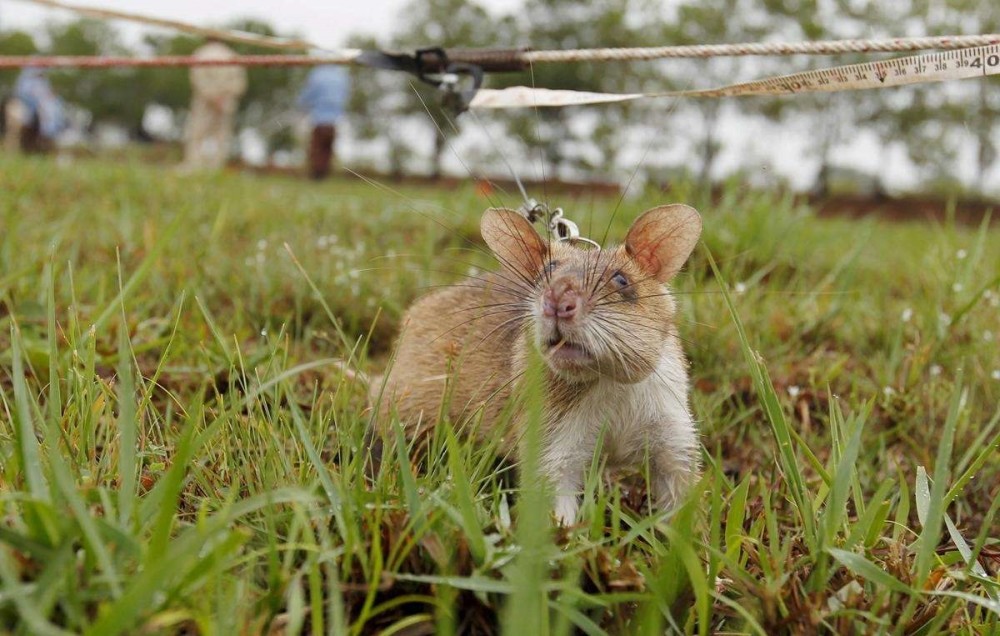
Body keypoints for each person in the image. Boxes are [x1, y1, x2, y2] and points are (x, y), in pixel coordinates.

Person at [182, 40, 247, 170]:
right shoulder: (231, 55)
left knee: (198, 134)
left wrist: (213, 96)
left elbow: (197, 78)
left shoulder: (202, 53)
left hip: (205, 102)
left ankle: (194, 165)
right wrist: (223, 96)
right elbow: (240, 82)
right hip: (223, 101)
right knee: (221, 136)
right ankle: (215, 167)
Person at [297, 64, 350, 180]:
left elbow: (308, 95)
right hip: (334, 122)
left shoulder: (317, 74)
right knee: (327, 151)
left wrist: (301, 106)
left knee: (316, 150)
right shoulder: (341, 76)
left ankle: (317, 177)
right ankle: (323, 176)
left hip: (319, 121)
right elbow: (345, 96)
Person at [4, 68, 66, 153]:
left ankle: (45, 141)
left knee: (51, 111)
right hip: (29, 108)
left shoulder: (44, 82)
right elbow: (22, 94)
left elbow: (47, 97)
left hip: (41, 110)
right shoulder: (25, 81)